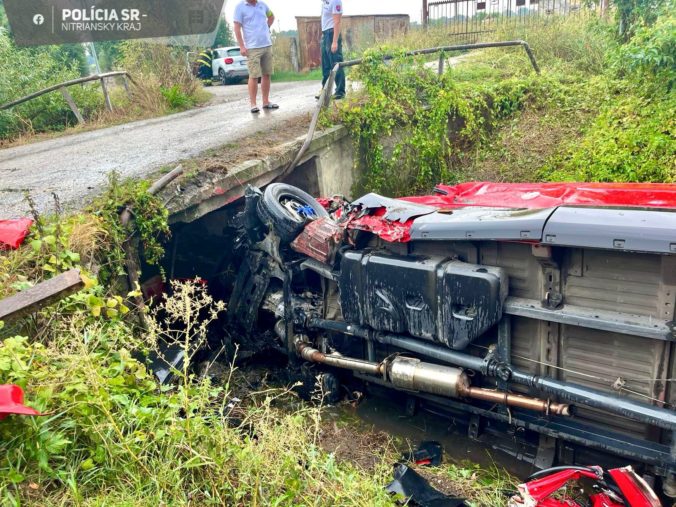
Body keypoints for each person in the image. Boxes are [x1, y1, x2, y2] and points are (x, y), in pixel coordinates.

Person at [233, 0, 279, 113]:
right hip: (252, 47)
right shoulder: (240, 7)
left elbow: (271, 16)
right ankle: (253, 104)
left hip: (267, 44)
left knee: (266, 74)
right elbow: (236, 28)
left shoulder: (263, 5)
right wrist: (242, 46)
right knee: (254, 75)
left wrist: (267, 27)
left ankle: (266, 101)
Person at [320, 0, 346, 100]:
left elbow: (337, 21)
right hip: (325, 34)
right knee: (326, 65)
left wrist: (334, 41)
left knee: (336, 63)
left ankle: (340, 92)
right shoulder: (325, 2)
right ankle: (325, 91)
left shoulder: (335, 1)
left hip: (332, 34)